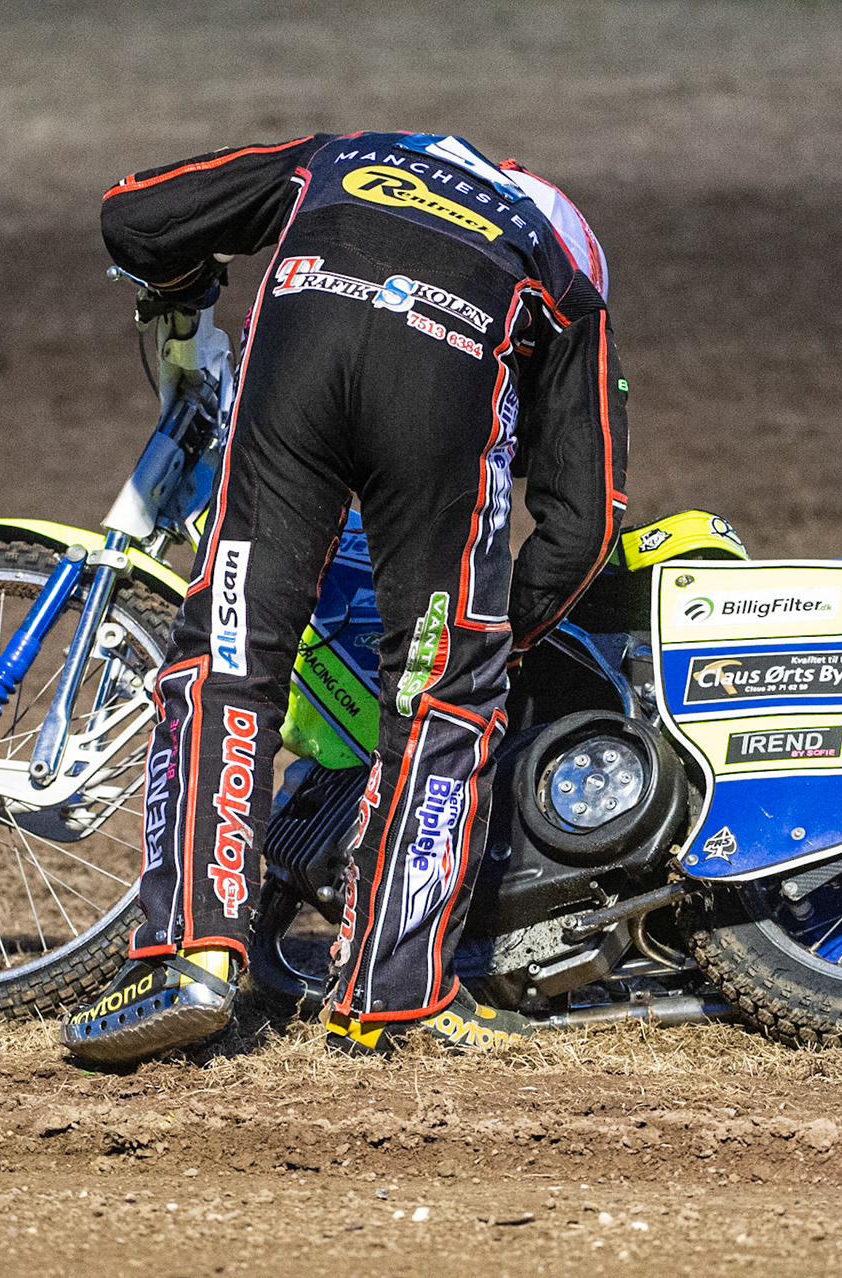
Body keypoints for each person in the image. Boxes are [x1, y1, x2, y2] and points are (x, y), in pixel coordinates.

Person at [62, 131, 627, 1066]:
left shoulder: (347, 152)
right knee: (441, 702)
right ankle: (386, 1000)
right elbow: (584, 513)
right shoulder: (566, 238)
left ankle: (191, 960)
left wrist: (182, 292)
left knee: (229, 657)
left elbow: (135, 213)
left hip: (301, 363)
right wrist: (504, 641)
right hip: (443, 397)